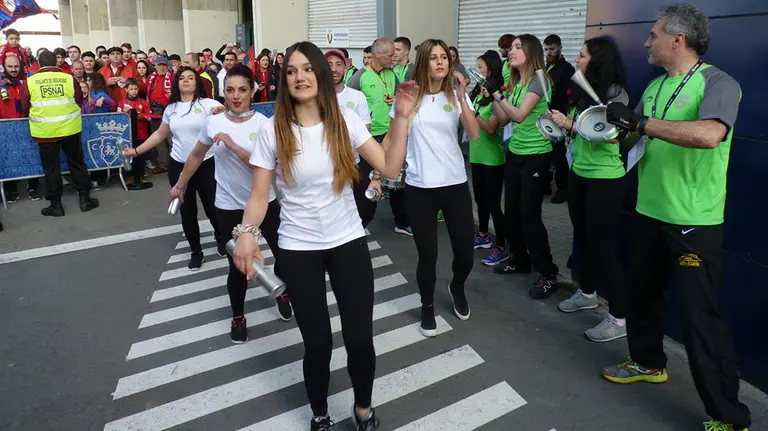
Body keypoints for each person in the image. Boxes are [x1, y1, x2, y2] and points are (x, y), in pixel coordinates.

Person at [232, 41, 410, 431]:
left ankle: (363, 408)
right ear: (285, 79)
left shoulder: (345, 120)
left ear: (322, 75)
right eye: (292, 70)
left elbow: (391, 168)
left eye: (308, 68)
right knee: (319, 345)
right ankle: (320, 414)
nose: (301, 76)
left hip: (348, 241)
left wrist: (400, 117)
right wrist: (248, 233)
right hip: (299, 249)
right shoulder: (272, 130)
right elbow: (260, 195)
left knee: (360, 339)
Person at [601, 5, 751, 431]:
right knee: (642, 295)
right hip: (649, 211)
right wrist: (612, 127)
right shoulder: (653, 86)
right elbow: (638, 138)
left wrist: (642, 123)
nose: (647, 42)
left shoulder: (719, 82)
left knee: (699, 317)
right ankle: (648, 362)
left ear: (677, 40)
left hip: (693, 220)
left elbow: (709, 135)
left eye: (653, 35)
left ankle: (729, 416)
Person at [169, 64, 293, 337]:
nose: (236, 96)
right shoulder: (213, 122)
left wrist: (233, 145)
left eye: (242, 90)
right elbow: (195, 156)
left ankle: (281, 291)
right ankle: (238, 316)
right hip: (228, 207)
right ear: (223, 92)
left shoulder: (264, 125)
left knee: (283, 255)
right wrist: (180, 185)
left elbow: (264, 166)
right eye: (230, 90)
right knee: (237, 267)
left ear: (253, 92)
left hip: (264, 204)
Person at [396, 39, 480, 336]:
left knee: (465, 254)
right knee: (428, 255)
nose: (440, 62)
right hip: (419, 187)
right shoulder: (410, 96)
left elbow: (474, 134)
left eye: (444, 57)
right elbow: (398, 140)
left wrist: (462, 95)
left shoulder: (456, 96)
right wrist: (380, 175)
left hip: (455, 184)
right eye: (433, 58)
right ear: (423, 62)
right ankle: (427, 305)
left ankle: (457, 285)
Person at [549, 36, 629, 342]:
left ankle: (619, 318)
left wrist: (570, 125)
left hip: (605, 178)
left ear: (597, 60)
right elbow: (578, 132)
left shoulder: (614, 92)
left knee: (603, 246)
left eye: (581, 55)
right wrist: (561, 128)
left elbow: (614, 135)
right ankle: (586, 292)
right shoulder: (581, 89)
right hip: (580, 173)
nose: (577, 58)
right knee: (582, 238)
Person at [124, 67, 223, 270]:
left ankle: (221, 238)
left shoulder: (209, 105)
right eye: (182, 78)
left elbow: (231, 121)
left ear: (197, 83)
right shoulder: (171, 109)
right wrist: (136, 151)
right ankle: (196, 250)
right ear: (177, 83)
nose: (186, 81)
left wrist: (224, 113)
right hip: (178, 164)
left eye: (191, 78)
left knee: (213, 207)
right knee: (187, 211)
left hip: (207, 164)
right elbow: (160, 135)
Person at [488, 34, 560, 298]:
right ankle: (519, 259)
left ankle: (547, 272)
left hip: (536, 155)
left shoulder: (539, 79)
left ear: (531, 52)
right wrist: (493, 98)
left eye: (518, 47)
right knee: (513, 211)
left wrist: (498, 93)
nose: (512, 51)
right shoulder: (517, 82)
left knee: (530, 215)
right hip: (516, 152)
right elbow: (505, 120)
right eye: (512, 47)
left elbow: (519, 115)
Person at [348, 38, 412, 236]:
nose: (394, 58)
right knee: (367, 184)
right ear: (377, 55)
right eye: (390, 55)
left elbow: (403, 98)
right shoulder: (359, 77)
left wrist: (397, 99)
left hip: (392, 135)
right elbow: (348, 105)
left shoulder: (392, 74)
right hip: (368, 139)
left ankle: (402, 222)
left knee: (397, 182)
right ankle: (359, 223)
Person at [26, 50, 98, 217]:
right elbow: (79, 99)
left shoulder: (30, 81)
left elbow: (24, 105)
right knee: (77, 163)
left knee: (51, 169)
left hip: (45, 131)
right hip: (70, 129)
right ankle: (85, 200)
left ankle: (56, 206)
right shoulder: (68, 78)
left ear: (39, 62)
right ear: (56, 62)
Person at [326, 49, 375, 227]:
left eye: (338, 64)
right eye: (329, 65)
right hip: (326, 166)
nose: (334, 69)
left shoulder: (357, 96)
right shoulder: (315, 98)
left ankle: (354, 231)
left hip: (354, 163)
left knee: (366, 207)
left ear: (346, 66)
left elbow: (365, 129)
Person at [468, 51, 507, 267]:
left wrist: (473, 114)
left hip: (493, 159)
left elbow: (491, 128)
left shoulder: (497, 96)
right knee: (480, 200)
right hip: (476, 154)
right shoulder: (479, 94)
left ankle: (501, 246)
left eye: (480, 67)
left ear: (490, 70)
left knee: (493, 203)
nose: (477, 71)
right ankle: (483, 234)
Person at [0, 54, 40, 202]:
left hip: (29, 124)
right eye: (10, 67)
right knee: (10, 158)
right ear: (4, 67)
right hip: (6, 127)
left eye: (16, 66)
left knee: (32, 155)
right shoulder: (1, 83)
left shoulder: (30, 80)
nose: (14, 69)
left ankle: (34, 187)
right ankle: (11, 189)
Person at [543, 34, 576, 204]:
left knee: (560, 155)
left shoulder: (568, 70)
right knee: (547, 153)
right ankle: (546, 184)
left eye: (552, 49)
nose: (548, 53)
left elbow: (571, 97)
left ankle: (563, 189)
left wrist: (567, 119)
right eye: (546, 49)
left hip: (560, 117)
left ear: (560, 48)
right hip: (546, 117)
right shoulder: (545, 68)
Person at [116, 78, 153, 190]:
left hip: (141, 133)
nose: (134, 91)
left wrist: (142, 116)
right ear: (126, 90)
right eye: (131, 89)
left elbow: (150, 117)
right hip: (127, 134)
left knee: (140, 155)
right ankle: (130, 176)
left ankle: (140, 177)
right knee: (128, 155)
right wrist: (124, 113)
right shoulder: (122, 103)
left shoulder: (144, 102)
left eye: (136, 89)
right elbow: (118, 117)